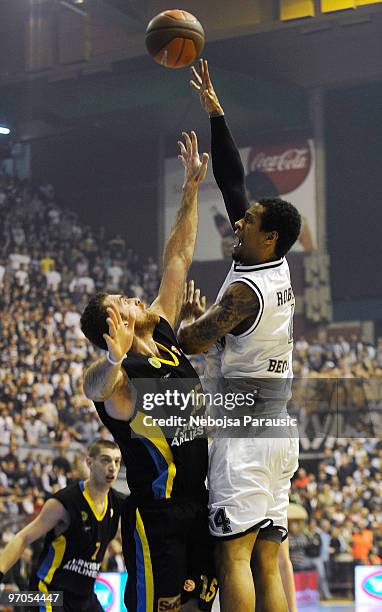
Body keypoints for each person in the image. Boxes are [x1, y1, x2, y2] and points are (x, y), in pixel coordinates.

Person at [177, 59, 301, 612]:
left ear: (268, 237)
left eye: (248, 222)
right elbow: (233, 182)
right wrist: (216, 113)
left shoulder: (243, 293)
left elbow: (193, 341)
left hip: (248, 432)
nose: (237, 222)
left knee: (234, 558)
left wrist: (185, 320)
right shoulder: (271, 267)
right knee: (268, 559)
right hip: (278, 427)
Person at [80, 132, 217, 612]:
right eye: (119, 302)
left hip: (197, 503)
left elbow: (177, 256)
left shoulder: (160, 332)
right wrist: (114, 358)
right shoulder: (118, 376)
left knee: (200, 607)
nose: (131, 296)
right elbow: (93, 386)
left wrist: (191, 190)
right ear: (111, 326)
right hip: (155, 517)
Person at [0, 439, 124, 612]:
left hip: (85, 596)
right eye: (105, 460)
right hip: (50, 592)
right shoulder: (65, 502)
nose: (112, 467)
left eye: (117, 462)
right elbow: (23, 537)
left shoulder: (119, 503)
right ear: (89, 462)